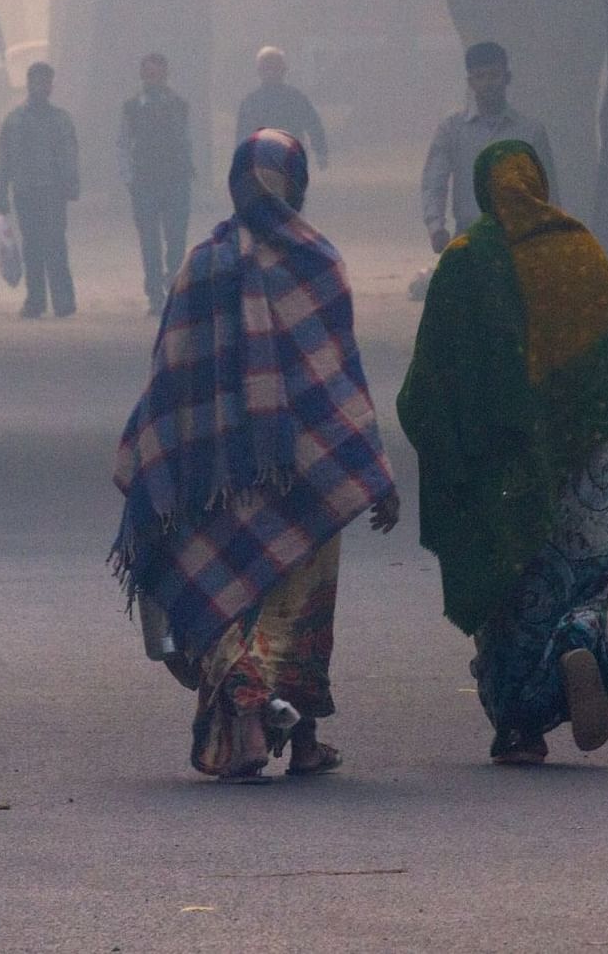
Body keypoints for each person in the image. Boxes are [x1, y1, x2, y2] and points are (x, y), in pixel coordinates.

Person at [112, 128, 400, 783]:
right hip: (308, 475)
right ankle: (300, 738)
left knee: (231, 593)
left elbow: (171, 374)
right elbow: (340, 380)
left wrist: (161, 464)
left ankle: (245, 720)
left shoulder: (201, 264)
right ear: (297, 184)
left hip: (217, 477)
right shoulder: (317, 262)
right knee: (302, 605)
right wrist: (374, 474)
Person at [397, 140, 608, 765]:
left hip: (503, 464)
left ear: (480, 190)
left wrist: (446, 445)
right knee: (583, 576)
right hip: (598, 451)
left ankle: (518, 728)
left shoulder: (465, 261)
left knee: (510, 583)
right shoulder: (579, 247)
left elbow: (430, 381)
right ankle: (578, 637)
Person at [421, 41, 561, 254]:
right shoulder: (452, 130)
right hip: (470, 240)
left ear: (507, 78)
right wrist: (436, 226)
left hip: (519, 243)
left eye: (494, 75)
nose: (488, 83)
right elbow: (434, 181)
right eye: (480, 76)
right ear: (471, 82)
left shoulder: (531, 132)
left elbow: (546, 190)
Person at [0, 62, 79, 319]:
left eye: (46, 82)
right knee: (32, 247)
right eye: (38, 82)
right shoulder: (15, 121)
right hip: (26, 192)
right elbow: (3, 159)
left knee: (55, 245)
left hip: (53, 192)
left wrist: (71, 185)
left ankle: (62, 300)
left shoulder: (60, 119)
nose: (42, 87)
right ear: (29, 85)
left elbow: (69, 155)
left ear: (51, 86)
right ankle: (37, 300)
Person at [119, 52, 195, 314]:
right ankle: (154, 293)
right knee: (149, 241)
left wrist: (188, 171)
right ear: (142, 75)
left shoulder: (179, 105)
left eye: (157, 73)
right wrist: (128, 177)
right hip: (145, 181)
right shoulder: (131, 107)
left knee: (176, 239)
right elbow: (123, 143)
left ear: (165, 74)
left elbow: (187, 140)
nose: (152, 78)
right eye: (148, 73)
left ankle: (174, 285)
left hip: (175, 180)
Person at [234, 47, 327, 171]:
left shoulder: (295, 98)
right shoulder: (252, 102)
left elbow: (313, 125)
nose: (271, 73)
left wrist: (321, 152)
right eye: (267, 69)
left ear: (283, 70)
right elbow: (243, 134)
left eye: (275, 69)